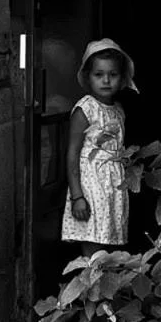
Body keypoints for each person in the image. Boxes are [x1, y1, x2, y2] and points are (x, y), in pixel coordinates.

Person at [63, 37, 138, 256]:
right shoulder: (85, 109)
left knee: (108, 245)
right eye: (99, 75)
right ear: (88, 77)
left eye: (112, 75)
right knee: (93, 248)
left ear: (121, 77)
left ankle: (106, 288)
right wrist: (77, 196)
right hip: (90, 189)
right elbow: (72, 154)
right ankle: (92, 287)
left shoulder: (117, 110)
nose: (106, 80)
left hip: (112, 189)